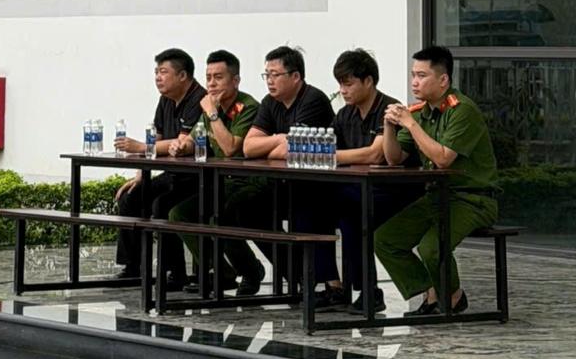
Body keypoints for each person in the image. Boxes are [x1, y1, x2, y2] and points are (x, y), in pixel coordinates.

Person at [374, 45, 498, 316]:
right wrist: (389, 126)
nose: (414, 82)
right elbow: (394, 158)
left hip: (472, 198)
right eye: (412, 75)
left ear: (443, 80)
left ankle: (451, 297)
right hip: (436, 196)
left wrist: (410, 124)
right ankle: (435, 290)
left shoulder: (462, 110)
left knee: (431, 247)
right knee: (385, 239)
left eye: (422, 75)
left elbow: (443, 159)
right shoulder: (419, 112)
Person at [242, 46, 342, 301]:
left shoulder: (313, 100)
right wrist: (278, 138)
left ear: (295, 76)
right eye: (266, 75)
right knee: (246, 209)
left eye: (275, 74)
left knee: (306, 209)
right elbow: (248, 147)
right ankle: (295, 273)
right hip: (285, 183)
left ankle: (326, 283)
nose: (270, 81)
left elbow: (293, 149)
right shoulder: (269, 103)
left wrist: (275, 145)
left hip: (318, 185)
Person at [167, 50, 267, 295]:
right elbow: (193, 139)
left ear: (235, 80)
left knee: (221, 215)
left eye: (218, 77)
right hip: (221, 181)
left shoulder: (247, 107)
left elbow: (231, 148)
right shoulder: (210, 107)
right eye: (208, 77)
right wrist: (180, 146)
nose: (211, 84)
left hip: (248, 182)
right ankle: (221, 271)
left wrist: (212, 114)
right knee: (178, 213)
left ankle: (251, 271)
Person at [329, 49, 417, 313]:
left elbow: (377, 154)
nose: (343, 90)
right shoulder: (345, 114)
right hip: (359, 190)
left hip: (397, 192)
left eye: (348, 83)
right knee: (326, 208)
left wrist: (336, 156)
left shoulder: (390, 109)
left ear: (368, 81)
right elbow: (327, 150)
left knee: (349, 211)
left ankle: (365, 290)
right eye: (340, 84)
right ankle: (346, 288)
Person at [113, 48, 206, 287]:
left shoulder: (199, 100)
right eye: (156, 72)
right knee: (131, 198)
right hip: (171, 174)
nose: (158, 77)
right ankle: (132, 267)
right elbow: (157, 138)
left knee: (162, 205)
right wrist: (140, 175)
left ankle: (176, 273)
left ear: (183, 75)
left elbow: (181, 142)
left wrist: (141, 146)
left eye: (163, 72)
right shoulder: (165, 99)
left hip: (197, 177)